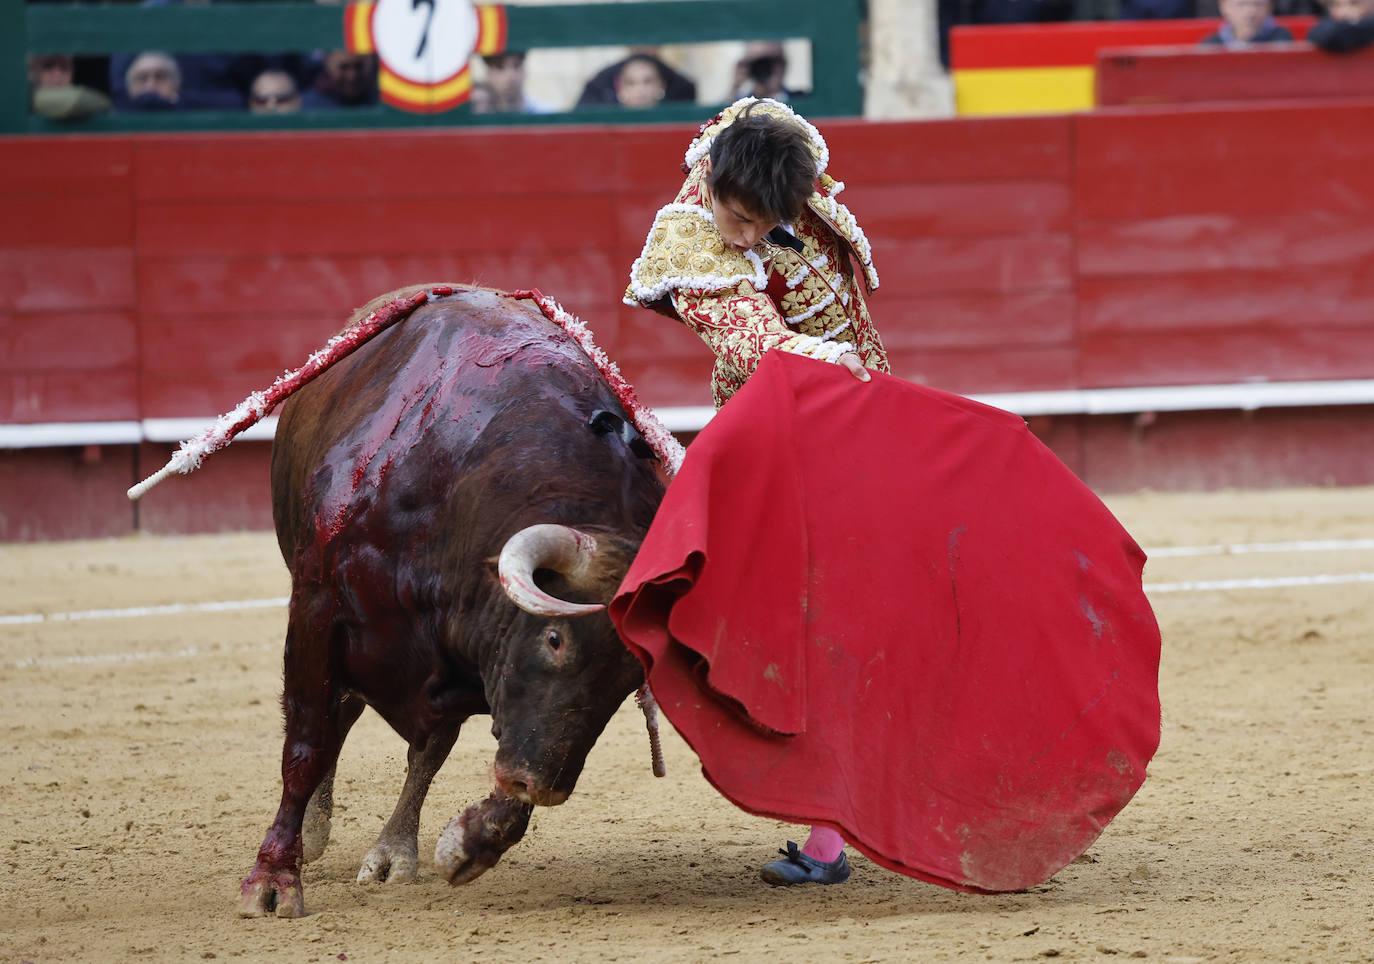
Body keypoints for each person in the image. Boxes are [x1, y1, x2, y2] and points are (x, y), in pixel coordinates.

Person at [624, 99, 886, 886]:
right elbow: (765, 349)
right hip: (779, 452)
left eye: (757, 222)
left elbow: (771, 120)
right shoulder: (689, 237)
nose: (740, 236)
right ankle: (828, 826)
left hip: (850, 430)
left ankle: (837, 823)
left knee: (836, 625)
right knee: (806, 631)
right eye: (735, 218)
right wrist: (844, 370)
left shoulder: (781, 162)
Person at [576, 48, 696, 108]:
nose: (640, 89)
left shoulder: (680, 89)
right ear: (620, 87)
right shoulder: (599, 86)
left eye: (648, 81)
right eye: (631, 83)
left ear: (661, 85)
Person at [28, 53, 111, 121]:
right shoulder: (31, 96)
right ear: (36, 72)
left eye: (64, 69)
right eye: (48, 68)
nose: (57, 76)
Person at [731, 41, 808, 102]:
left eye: (771, 62)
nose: (764, 68)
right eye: (758, 63)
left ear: (784, 64)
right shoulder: (739, 105)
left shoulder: (804, 100)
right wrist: (734, 89)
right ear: (747, 66)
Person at [477, 51, 552, 113]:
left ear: (525, 71)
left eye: (517, 65)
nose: (511, 76)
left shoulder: (545, 113)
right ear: (488, 74)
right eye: (500, 67)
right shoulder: (480, 116)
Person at [301, 50, 378, 109]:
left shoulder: (377, 101)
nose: (352, 76)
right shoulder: (308, 106)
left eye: (358, 66)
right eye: (344, 67)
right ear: (327, 65)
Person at [1200, 0, 1294, 46]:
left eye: (1258, 4)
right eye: (1241, 4)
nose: (1250, 12)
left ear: (1270, 7)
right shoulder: (1212, 44)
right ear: (1223, 7)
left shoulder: (1281, 40)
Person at [1308, 0, 1374, 50]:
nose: (1345, 10)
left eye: (1354, 3)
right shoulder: (1325, 25)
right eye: (1338, 5)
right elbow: (1317, 34)